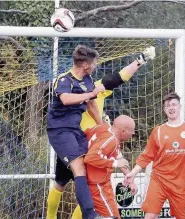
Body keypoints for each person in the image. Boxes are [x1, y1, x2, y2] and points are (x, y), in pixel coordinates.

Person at [46, 46, 156, 219]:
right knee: (70, 179)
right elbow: (67, 99)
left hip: (79, 138)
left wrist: (102, 124)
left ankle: (89, 214)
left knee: (78, 182)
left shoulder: (91, 84)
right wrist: (90, 94)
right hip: (64, 134)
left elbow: (117, 79)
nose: (96, 66)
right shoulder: (69, 82)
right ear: (84, 64)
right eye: (94, 63)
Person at [123, 92, 185, 219]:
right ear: (164, 109)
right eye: (168, 105)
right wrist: (133, 173)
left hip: (180, 182)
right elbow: (147, 156)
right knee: (150, 216)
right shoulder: (158, 131)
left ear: (179, 107)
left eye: (174, 104)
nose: (171, 108)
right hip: (159, 180)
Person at [83, 115, 136, 218]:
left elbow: (120, 159)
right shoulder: (111, 140)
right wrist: (114, 163)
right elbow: (90, 157)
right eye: (132, 130)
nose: (133, 133)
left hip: (93, 183)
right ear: (123, 131)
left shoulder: (103, 128)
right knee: (113, 216)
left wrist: (131, 180)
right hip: (98, 186)